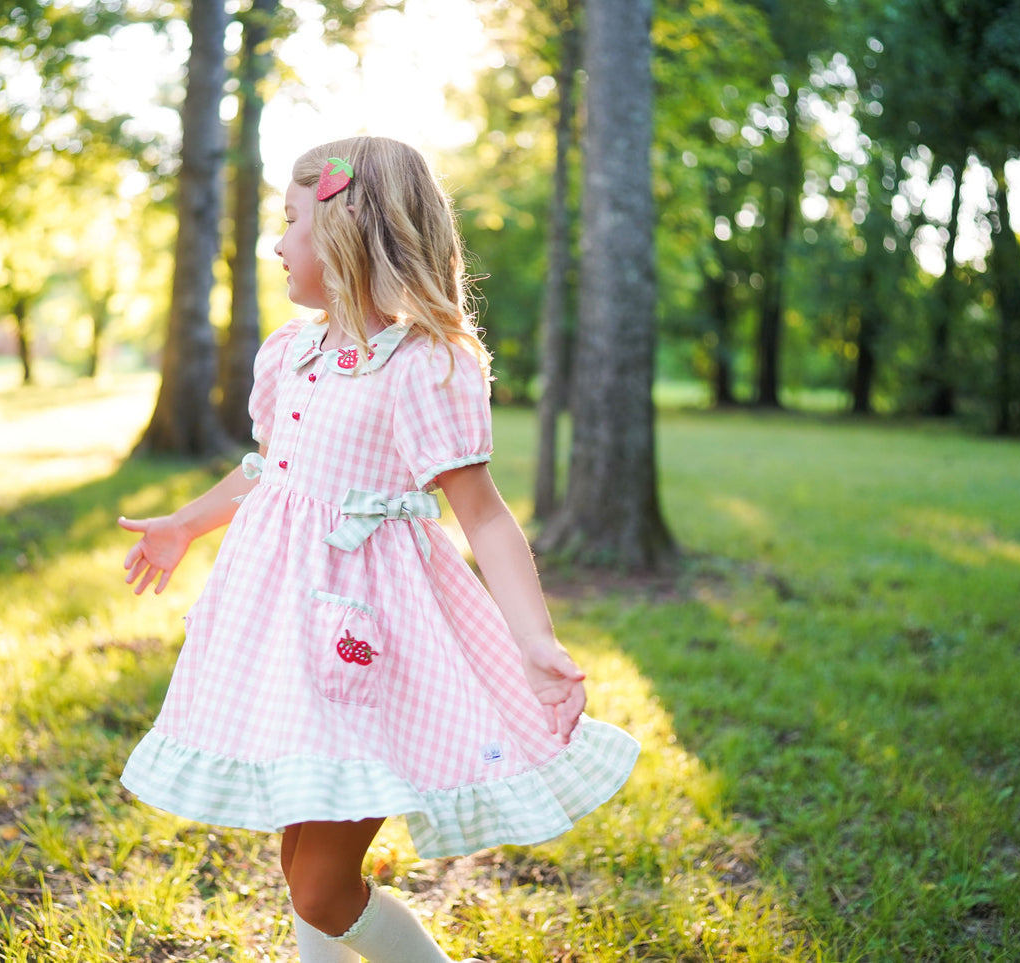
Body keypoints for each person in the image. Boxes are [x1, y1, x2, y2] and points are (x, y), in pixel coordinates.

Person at [116, 136, 640, 963]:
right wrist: (186, 521)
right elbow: (272, 471)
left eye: (290, 221)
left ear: (344, 231)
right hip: (283, 631)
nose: (275, 242)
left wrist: (536, 642)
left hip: (370, 638)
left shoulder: (421, 363)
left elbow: (486, 515)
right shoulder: (293, 351)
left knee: (322, 886)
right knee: (298, 858)